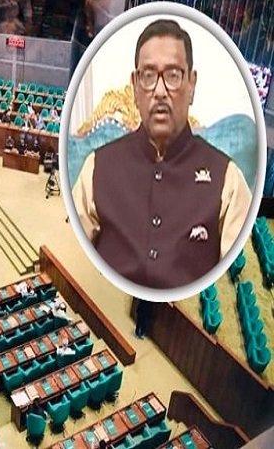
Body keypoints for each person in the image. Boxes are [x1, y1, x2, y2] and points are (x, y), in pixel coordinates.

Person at [72, 19, 252, 289]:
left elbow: (238, 283)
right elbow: (72, 261)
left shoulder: (229, 180)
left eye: (173, 75)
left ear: (191, 85)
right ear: (135, 86)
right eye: (148, 76)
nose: (159, 91)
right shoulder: (96, 167)